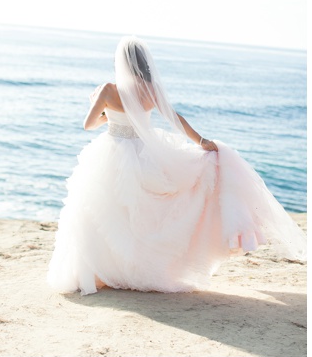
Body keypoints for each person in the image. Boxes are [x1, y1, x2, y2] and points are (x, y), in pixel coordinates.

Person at [47, 35, 306, 296]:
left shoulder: (107, 90)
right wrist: (201, 140)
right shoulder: (151, 90)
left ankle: (101, 270)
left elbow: (88, 125)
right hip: (143, 153)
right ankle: (132, 268)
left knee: (103, 210)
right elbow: (175, 119)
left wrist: (105, 113)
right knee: (142, 214)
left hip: (110, 152)